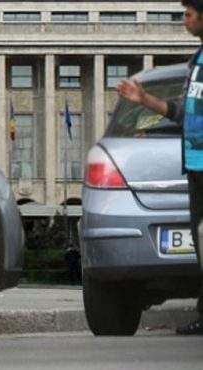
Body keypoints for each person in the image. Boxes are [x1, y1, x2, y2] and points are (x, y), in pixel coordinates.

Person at [117, 0, 203, 335]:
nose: (185, 18)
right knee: (200, 241)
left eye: (191, 12)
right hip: (195, 166)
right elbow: (183, 112)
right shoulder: (196, 62)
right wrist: (145, 101)